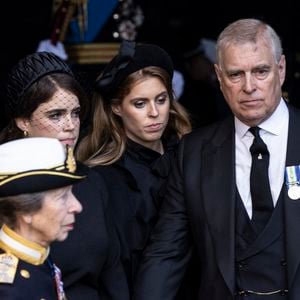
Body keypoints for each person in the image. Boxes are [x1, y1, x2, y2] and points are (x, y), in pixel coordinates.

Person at [133, 18, 299, 299]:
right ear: (219, 78)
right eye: (236, 75)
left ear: (281, 70)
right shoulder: (194, 153)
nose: (249, 87)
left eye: (261, 71)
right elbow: (167, 253)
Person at [0, 51, 129, 300]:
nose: (70, 125)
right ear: (23, 121)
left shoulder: (93, 182)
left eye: (76, 113)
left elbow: (114, 274)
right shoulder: (7, 186)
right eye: (56, 115)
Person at [76, 40, 192, 296]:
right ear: (117, 107)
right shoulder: (106, 178)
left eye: (161, 100)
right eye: (140, 104)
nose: (155, 113)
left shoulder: (191, 155)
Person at [0, 137, 85, 299]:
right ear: (25, 211)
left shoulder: (38, 256)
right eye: (62, 197)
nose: (77, 206)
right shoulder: (7, 290)